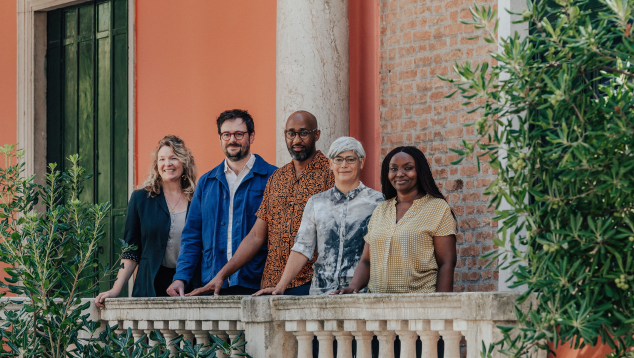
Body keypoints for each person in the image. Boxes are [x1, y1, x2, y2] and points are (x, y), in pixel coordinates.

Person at [189, 110, 335, 296]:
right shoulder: (277, 178)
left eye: (303, 133)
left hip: (312, 283)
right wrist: (221, 275)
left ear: (317, 134)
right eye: (291, 133)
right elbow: (257, 236)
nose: (296, 140)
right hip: (269, 287)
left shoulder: (331, 174)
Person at [166, 109, 277, 297]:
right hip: (211, 283)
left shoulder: (273, 177)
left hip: (256, 283)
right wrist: (181, 277)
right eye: (226, 134)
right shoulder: (207, 182)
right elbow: (192, 235)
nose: (232, 140)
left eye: (239, 134)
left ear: (251, 136)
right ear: (220, 138)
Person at [253, 137, 384, 296]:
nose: (344, 165)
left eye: (350, 159)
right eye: (338, 159)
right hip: (321, 293)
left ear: (361, 162)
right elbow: (302, 247)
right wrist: (281, 286)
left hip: (360, 293)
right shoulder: (316, 202)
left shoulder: (377, 202)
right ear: (330, 164)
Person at [332, 146, 457, 295]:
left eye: (408, 168)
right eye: (393, 169)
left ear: (420, 171)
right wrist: (353, 286)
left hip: (418, 304)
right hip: (376, 306)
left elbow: (446, 263)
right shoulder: (381, 210)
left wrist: (441, 305)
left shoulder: (437, 208)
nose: (400, 174)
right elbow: (366, 260)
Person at [95, 135, 198, 307]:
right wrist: (115, 289)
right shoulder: (141, 199)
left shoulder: (197, 199)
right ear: (157, 165)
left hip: (188, 286)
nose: (168, 164)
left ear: (184, 162)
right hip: (150, 284)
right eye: (162, 159)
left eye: (174, 158)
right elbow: (131, 250)